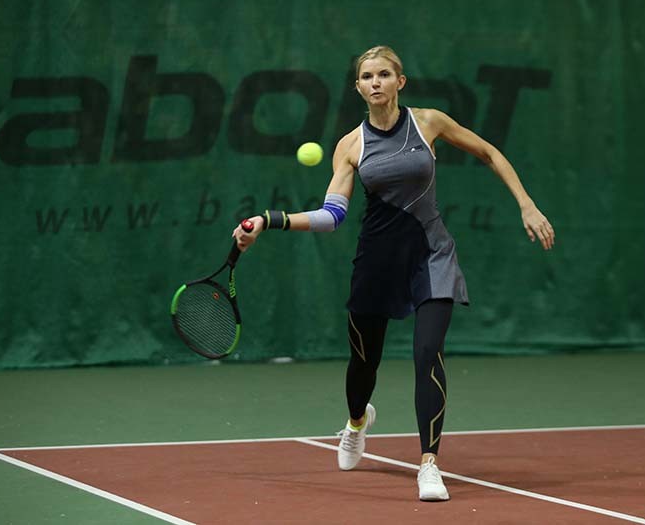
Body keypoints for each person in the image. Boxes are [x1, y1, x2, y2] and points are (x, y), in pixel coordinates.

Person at [233, 45, 554, 502]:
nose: (376, 82)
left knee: (428, 353)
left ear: (400, 82)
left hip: (431, 256)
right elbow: (331, 216)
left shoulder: (429, 122)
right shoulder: (350, 145)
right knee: (364, 364)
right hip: (377, 264)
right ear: (358, 87)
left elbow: (487, 152)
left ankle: (429, 464)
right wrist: (270, 219)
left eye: (384, 74)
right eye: (368, 76)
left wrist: (527, 204)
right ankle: (356, 422)